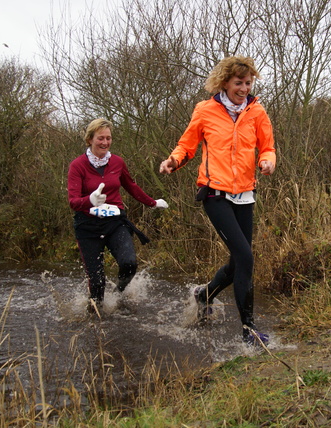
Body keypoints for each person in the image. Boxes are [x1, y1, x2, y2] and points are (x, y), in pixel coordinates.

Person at [159, 56, 276, 346]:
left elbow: (268, 146)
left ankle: (203, 295)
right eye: (238, 83)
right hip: (214, 193)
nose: (244, 88)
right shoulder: (205, 110)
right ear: (225, 82)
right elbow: (187, 144)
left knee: (238, 264)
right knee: (245, 256)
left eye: (248, 83)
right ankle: (248, 330)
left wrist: (267, 161)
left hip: (245, 194)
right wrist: (174, 161)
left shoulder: (257, 111)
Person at [68, 118, 168, 313]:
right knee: (97, 284)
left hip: (115, 222)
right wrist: (90, 200)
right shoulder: (77, 166)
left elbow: (131, 186)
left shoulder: (117, 162)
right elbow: (73, 201)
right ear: (90, 139)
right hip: (87, 226)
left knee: (129, 263)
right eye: (100, 138)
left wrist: (152, 202)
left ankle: (119, 295)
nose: (105, 142)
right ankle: (95, 324)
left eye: (108, 138)